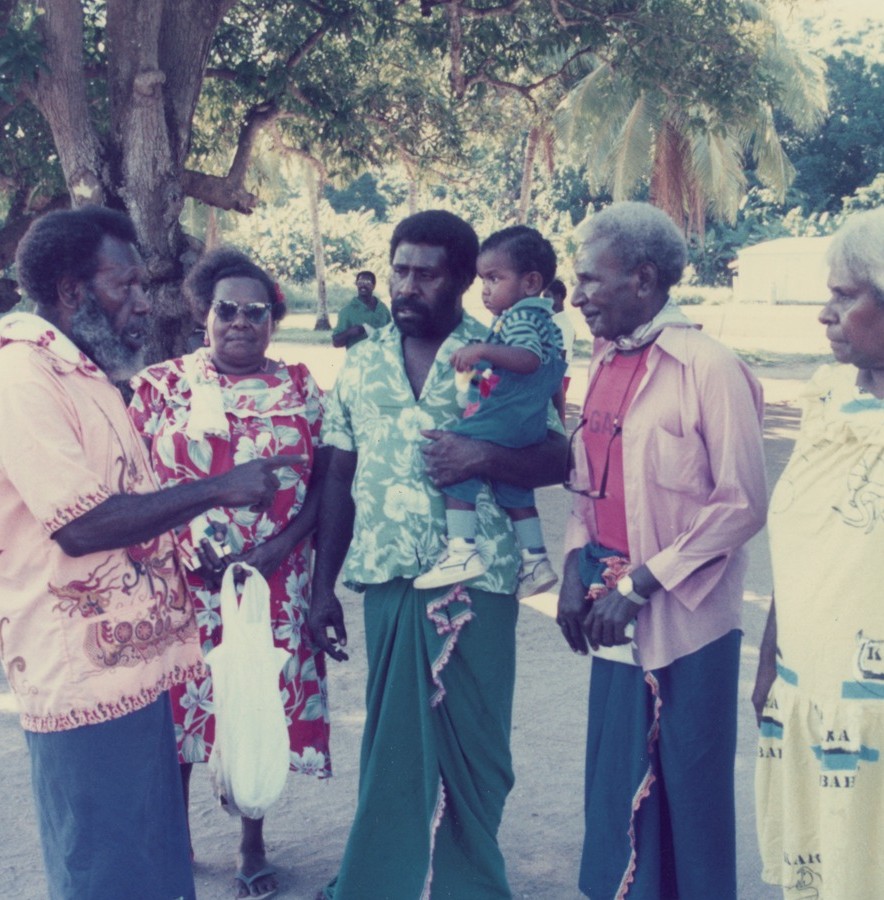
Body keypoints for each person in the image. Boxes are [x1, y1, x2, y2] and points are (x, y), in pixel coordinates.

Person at [0, 207, 293, 900]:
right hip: (80, 680)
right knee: (107, 870)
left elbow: (130, 495)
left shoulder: (88, 373)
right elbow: (81, 524)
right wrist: (219, 487)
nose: (143, 302)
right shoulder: (21, 379)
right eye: (125, 285)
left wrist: (187, 542)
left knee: (151, 862)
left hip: (139, 670)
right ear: (72, 291)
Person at [309, 209, 567, 900]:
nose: (407, 285)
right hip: (390, 577)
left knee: (479, 749)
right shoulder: (360, 365)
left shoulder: (505, 352)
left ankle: (468, 885)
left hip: (480, 578)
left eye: (426, 274)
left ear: (459, 280)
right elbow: (335, 476)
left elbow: (555, 452)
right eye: (400, 270)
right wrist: (319, 586)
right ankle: (377, 884)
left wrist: (482, 453)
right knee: (393, 750)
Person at [556, 201, 767, 899]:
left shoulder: (711, 367)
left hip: (686, 614)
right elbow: (587, 481)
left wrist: (643, 583)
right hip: (608, 600)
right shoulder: (606, 358)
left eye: (592, 279)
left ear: (643, 280)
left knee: (691, 785)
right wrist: (570, 568)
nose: (577, 293)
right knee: (617, 776)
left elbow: (741, 502)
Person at [129, 247, 331, 900]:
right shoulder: (161, 386)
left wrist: (279, 550)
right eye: (226, 310)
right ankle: (174, 838)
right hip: (182, 581)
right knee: (180, 713)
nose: (240, 322)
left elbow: (326, 486)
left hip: (273, 582)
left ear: (272, 319)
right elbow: (134, 483)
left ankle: (252, 842)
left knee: (254, 706)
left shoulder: (302, 386)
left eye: (255, 311)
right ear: (203, 314)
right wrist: (175, 544)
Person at [753, 208, 884, 899]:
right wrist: (773, 656)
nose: (825, 315)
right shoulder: (828, 396)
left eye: (844, 296)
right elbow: (803, 537)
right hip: (810, 690)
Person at [413, 225, 565, 598]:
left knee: (456, 456)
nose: (485, 290)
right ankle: (536, 561)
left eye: (495, 279)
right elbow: (509, 373)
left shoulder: (522, 318)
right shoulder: (541, 319)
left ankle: (462, 549)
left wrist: (482, 351)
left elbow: (527, 360)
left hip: (508, 417)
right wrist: (477, 377)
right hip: (526, 424)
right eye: (483, 280)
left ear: (530, 283)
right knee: (515, 490)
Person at [331, 270, 391, 349]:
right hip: (358, 360)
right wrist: (350, 332)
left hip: (382, 358)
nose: (363, 286)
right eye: (360, 283)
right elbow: (336, 342)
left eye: (367, 283)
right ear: (356, 285)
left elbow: (392, 334)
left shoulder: (382, 308)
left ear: (373, 286)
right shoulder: (347, 311)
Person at [544, 277, 576, 424]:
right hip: (554, 375)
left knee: (555, 418)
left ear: (559, 297)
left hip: (558, 377)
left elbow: (561, 356)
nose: (545, 301)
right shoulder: (553, 319)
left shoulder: (562, 324)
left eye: (548, 297)